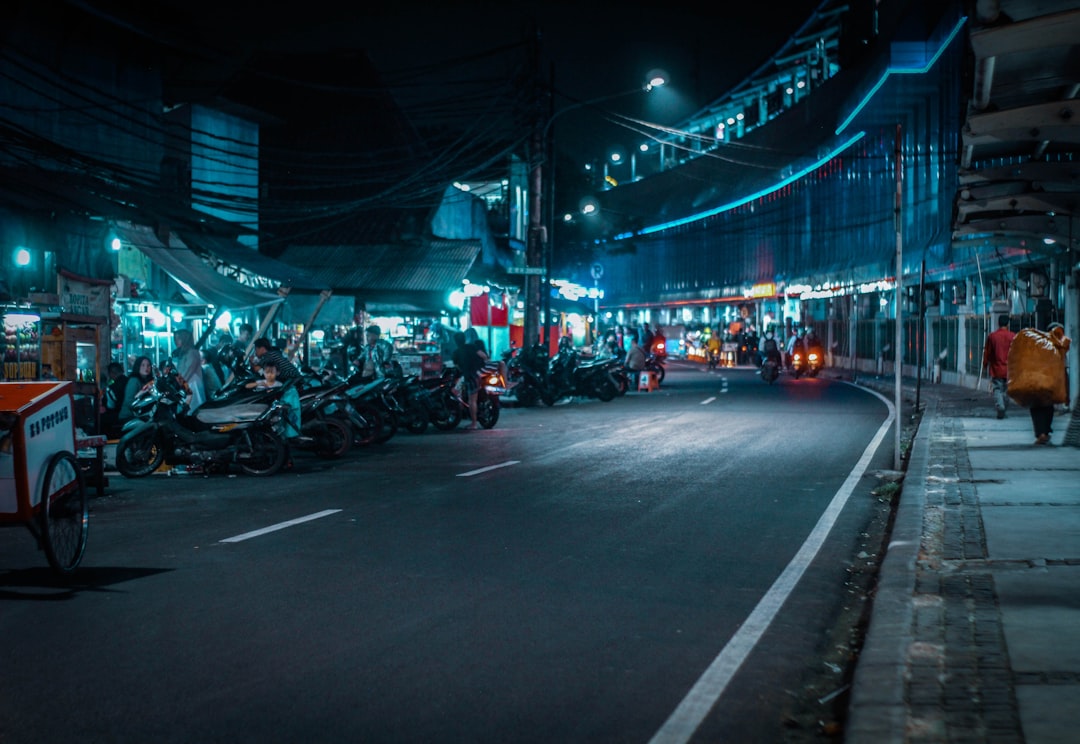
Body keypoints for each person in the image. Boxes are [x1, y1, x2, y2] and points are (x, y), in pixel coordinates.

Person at [452, 330, 489, 429]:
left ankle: (474, 424)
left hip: (469, 376)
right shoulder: (472, 347)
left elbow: (457, 367)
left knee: (471, 400)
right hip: (479, 374)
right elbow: (484, 356)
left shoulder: (456, 352)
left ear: (455, 341)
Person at [982, 314, 1015, 419]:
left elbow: (987, 352)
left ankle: (1000, 407)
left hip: (996, 369)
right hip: (1010, 369)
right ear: (1008, 324)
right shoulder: (1013, 337)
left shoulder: (992, 336)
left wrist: (985, 365)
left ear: (998, 323)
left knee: (997, 389)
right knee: (1007, 390)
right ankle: (1003, 408)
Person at [172, 328, 205, 412]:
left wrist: (177, 383)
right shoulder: (182, 353)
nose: (176, 341)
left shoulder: (192, 353)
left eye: (178, 338)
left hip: (191, 386)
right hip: (186, 385)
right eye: (175, 339)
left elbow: (188, 371)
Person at [119, 356, 154, 425]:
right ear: (138, 366)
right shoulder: (134, 380)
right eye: (143, 365)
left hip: (141, 416)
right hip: (129, 417)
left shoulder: (149, 381)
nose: (146, 368)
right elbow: (129, 401)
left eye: (148, 365)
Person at [102, 361, 128, 437]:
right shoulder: (130, 382)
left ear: (111, 373)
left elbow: (110, 406)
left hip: (119, 417)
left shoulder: (112, 388)